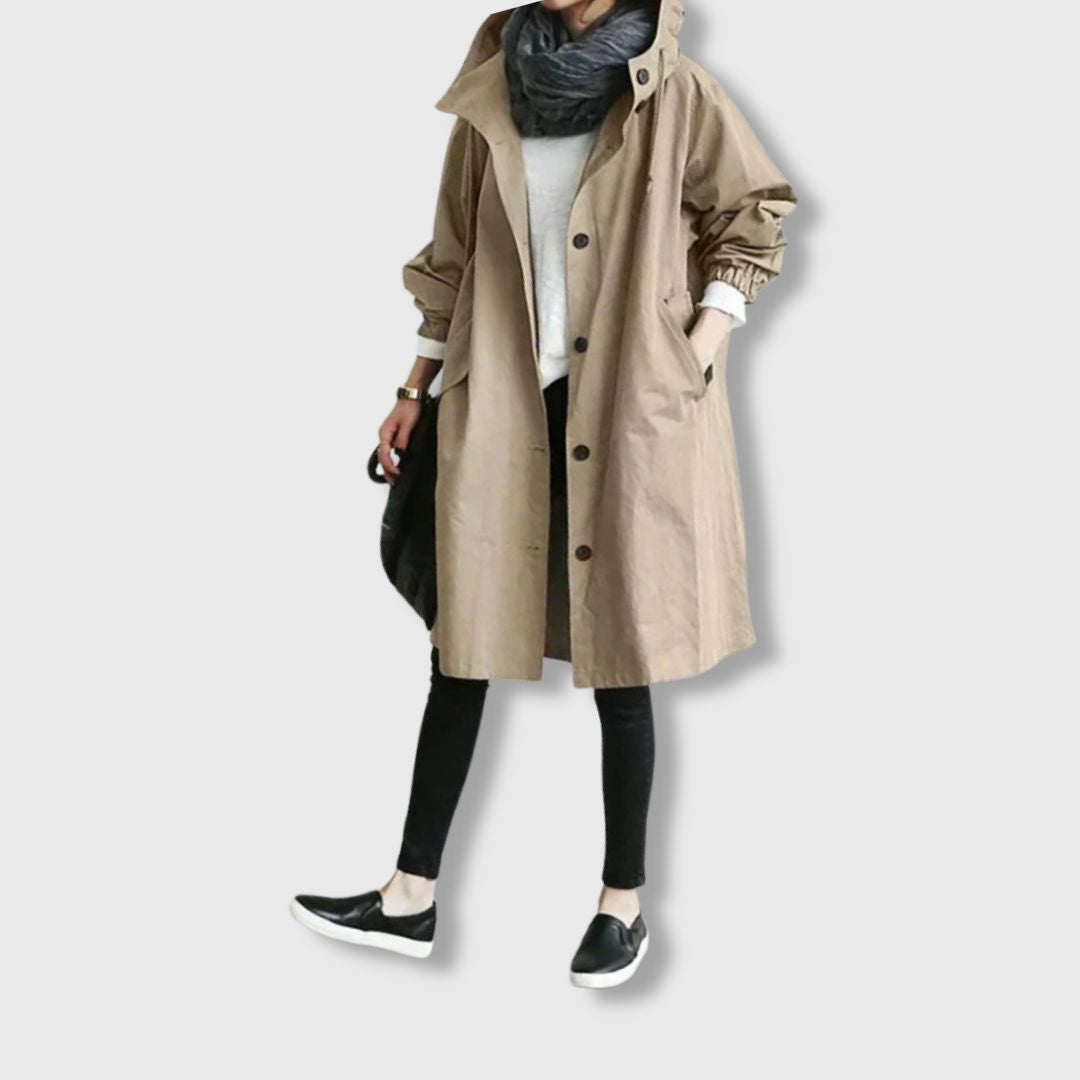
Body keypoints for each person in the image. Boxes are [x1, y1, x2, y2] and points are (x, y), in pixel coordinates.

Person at [291, 0, 797, 989]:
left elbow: (755, 212)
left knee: (623, 648)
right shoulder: (496, 89)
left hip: (626, 402)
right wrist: (412, 387)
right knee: (464, 640)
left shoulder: (674, 92)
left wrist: (695, 348)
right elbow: (453, 250)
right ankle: (409, 895)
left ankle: (622, 906)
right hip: (503, 397)